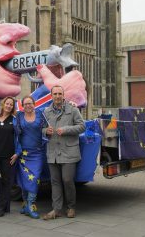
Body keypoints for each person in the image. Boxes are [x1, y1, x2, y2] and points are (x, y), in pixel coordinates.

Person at [42, 85, 85, 220]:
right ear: (51, 96)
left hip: (69, 152)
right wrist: (45, 131)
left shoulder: (73, 110)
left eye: (60, 94)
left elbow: (82, 126)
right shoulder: (46, 111)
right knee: (55, 182)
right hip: (53, 152)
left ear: (63, 95)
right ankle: (56, 209)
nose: (57, 96)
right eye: (55, 94)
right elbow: (41, 128)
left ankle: (71, 207)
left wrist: (66, 129)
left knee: (67, 180)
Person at [15, 96, 47, 219]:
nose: (28, 105)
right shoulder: (19, 116)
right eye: (26, 103)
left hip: (37, 153)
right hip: (23, 154)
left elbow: (45, 127)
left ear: (34, 104)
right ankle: (25, 204)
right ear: (23, 105)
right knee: (24, 179)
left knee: (35, 178)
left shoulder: (40, 113)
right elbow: (15, 131)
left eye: (30, 103)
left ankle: (31, 204)